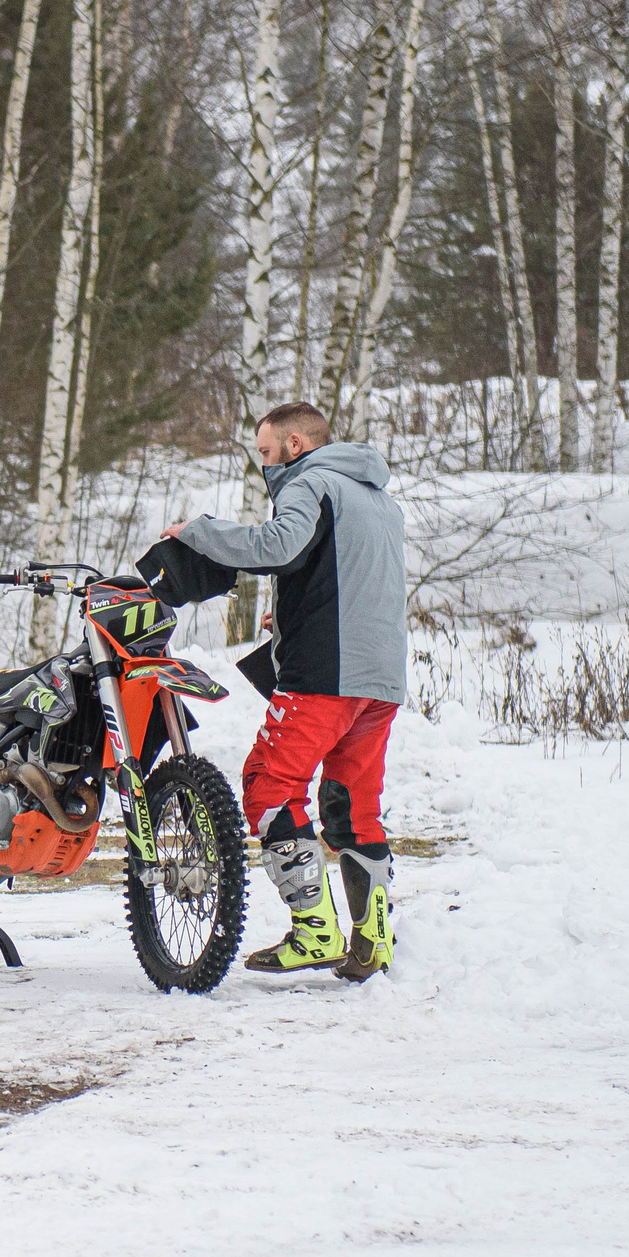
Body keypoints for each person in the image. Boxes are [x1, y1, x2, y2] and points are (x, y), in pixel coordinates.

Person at [163, 400, 406, 981]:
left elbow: (277, 546)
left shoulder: (312, 482)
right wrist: (296, 619)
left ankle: (315, 931)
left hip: (326, 678)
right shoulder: (379, 499)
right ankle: (374, 940)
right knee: (352, 809)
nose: (265, 466)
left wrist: (200, 535)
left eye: (267, 453)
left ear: (295, 444)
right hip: (379, 681)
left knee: (269, 787)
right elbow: (352, 579)